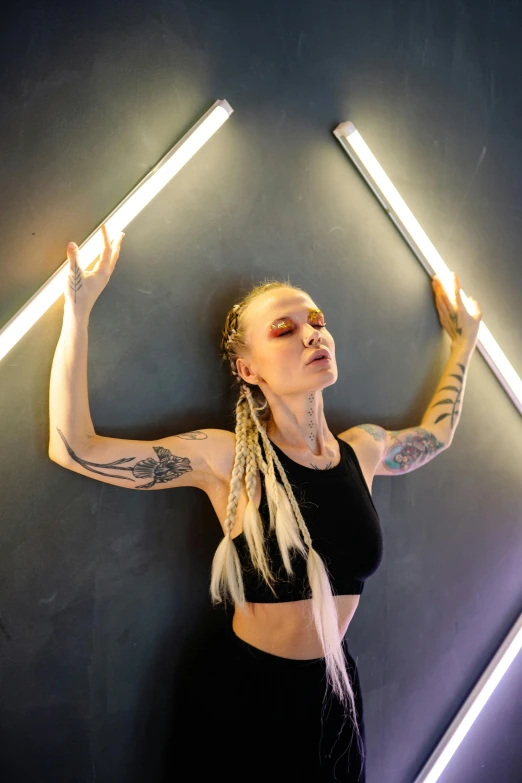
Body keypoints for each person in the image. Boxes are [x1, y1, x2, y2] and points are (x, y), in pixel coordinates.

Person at [48, 225, 482, 782]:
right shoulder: (226, 459)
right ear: (247, 370)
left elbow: (436, 434)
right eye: (285, 330)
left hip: (333, 696)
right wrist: (77, 312)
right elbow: (76, 448)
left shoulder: (364, 449)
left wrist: (464, 344)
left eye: (317, 322)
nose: (312, 335)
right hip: (243, 698)